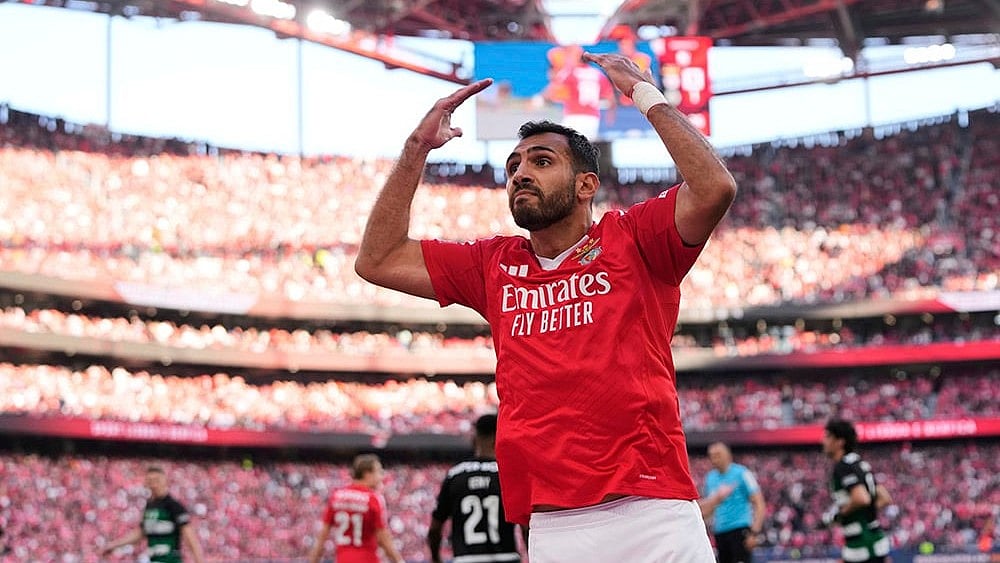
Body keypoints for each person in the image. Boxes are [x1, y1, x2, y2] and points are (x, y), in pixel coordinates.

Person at [355, 51, 736, 562]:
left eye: (541, 161)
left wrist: (645, 95)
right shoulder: (492, 263)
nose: (520, 174)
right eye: (513, 166)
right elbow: (376, 259)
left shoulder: (634, 238)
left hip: (654, 509)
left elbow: (714, 188)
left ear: (586, 186)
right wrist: (416, 149)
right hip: (554, 523)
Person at [428, 413, 521, 563]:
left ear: (475, 438)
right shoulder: (506, 474)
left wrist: (435, 559)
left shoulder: (455, 475)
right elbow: (524, 526)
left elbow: (434, 528)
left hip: (466, 559)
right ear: (499, 437)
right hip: (506, 557)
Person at [307, 454, 404, 563]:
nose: (382, 476)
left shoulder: (337, 496)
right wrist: (399, 561)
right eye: (379, 472)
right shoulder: (373, 499)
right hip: (367, 559)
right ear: (367, 474)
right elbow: (383, 539)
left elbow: (322, 537)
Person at [100, 466, 205, 563]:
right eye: (150, 481)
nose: (154, 484)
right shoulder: (149, 506)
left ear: (165, 481)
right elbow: (141, 533)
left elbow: (190, 539)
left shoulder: (174, 506)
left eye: (157, 480)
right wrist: (114, 545)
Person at [822, 419, 892, 563]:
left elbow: (862, 498)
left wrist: (839, 515)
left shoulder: (843, 466)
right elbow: (884, 498)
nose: (823, 441)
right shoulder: (860, 464)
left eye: (828, 437)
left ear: (840, 442)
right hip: (875, 541)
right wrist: (865, 514)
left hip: (861, 546)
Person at [699, 442, 766, 563]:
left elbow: (759, 503)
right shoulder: (710, 478)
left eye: (717, 455)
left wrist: (754, 532)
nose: (714, 459)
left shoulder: (742, 473)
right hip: (720, 532)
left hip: (740, 530)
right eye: (711, 456)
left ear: (728, 456)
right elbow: (709, 509)